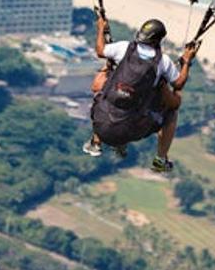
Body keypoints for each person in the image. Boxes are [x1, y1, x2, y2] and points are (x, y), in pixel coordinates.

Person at [84, 16, 197, 172]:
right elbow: (179, 83)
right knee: (171, 113)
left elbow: (100, 50)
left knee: (101, 86)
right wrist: (187, 62)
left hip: (101, 123)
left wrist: (101, 29)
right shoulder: (163, 62)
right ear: (159, 39)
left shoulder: (123, 48)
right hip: (131, 128)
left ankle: (96, 142)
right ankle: (160, 159)